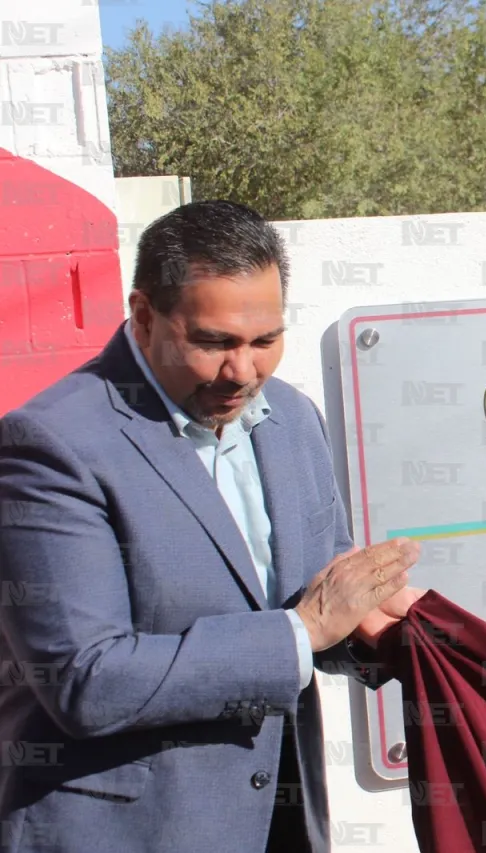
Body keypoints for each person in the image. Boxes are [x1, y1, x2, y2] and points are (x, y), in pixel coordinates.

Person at [0, 200, 426, 853]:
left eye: (265, 341)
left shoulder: (290, 417)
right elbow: (85, 679)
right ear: (144, 317)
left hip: (281, 825)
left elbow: (316, 596)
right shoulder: (50, 445)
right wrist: (305, 627)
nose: (244, 372)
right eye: (213, 342)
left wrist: (384, 629)